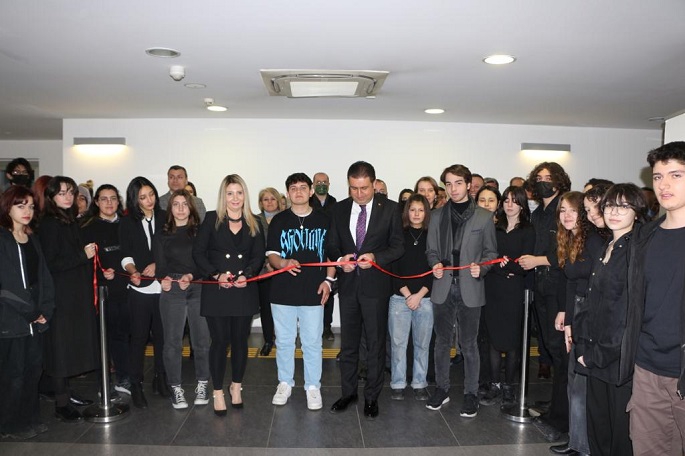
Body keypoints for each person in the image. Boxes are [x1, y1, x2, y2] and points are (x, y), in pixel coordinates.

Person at [619, 142, 685, 455]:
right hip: (646, 367)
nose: (664, 184)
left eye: (676, 175)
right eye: (658, 177)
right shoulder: (645, 236)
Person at [326, 161, 404, 419]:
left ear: (374, 184)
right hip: (349, 287)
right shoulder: (338, 209)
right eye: (353, 188)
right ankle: (348, 393)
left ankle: (372, 396)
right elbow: (331, 245)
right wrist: (341, 261)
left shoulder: (390, 209)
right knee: (348, 345)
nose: (359, 194)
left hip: (376, 288)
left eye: (364, 188)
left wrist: (376, 257)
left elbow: (397, 246)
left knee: (375, 344)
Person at [575, 183, 646, 456]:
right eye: (610, 206)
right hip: (594, 350)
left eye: (623, 207)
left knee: (619, 435)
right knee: (598, 427)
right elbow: (592, 299)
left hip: (615, 357)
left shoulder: (635, 251)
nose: (614, 212)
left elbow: (627, 311)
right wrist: (583, 345)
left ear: (637, 212)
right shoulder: (608, 245)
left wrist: (599, 354)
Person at [425, 164, 497, 417]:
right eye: (448, 184)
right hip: (443, 286)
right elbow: (431, 250)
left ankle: (471, 394)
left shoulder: (484, 217)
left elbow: (490, 253)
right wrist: (435, 263)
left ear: (468, 185)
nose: (453, 189)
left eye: (458, 183)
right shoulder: (436, 216)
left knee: (469, 344)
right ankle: (442, 389)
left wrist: (482, 268)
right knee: (442, 342)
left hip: (470, 287)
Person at [192, 174, 265, 414]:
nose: (235, 198)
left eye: (239, 193)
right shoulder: (211, 219)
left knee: (240, 342)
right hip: (217, 291)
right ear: (224, 196)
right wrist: (216, 275)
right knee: (220, 341)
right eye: (230, 193)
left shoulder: (254, 221)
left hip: (243, 290)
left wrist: (248, 274)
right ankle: (217, 391)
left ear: (245, 195)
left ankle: (236, 386)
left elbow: (258, 255)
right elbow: (198, 253)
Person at [266, 173, 334, 411]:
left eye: (303, 187)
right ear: (287, 193)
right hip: (282, 292)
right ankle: (285, 382)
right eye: (293, 188)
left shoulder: (325, 220)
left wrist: (329, 281)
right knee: (284, 341)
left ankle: (313, 386)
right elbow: (272, 255)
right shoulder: (279, 220)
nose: (298, 192)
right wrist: (283, 263)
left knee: (312, 342)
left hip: (313, 291)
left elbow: (331, 255)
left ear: (311, 191)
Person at [38, 176, 99, 422]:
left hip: (75, 293)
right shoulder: (50, 223)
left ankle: (65, 394)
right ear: (51, 196)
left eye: (71, 192)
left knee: (69, 346)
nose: (68, 197)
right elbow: (51, 262)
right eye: (62, 193)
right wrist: (82, 255)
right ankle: (61, 403)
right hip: (61, 295)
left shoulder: (69, 220)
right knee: (61, 348)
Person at [518, 162, 572, 442]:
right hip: (539, 286)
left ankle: (562, 417)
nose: (543, 182)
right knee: (550, 347)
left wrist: (538, 260)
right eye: (538, 178)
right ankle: (555, 405)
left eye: (548, 178)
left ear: (560, 181)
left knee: (560, 352)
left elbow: (568, 251)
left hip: (557, 288)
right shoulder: (538, 212)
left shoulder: (565, 210)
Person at [549, 191, 604, 456]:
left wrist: (580, 320)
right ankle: (577, 441)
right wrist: (568, 320)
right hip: (578, 311)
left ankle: (584, 446)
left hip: (592, 312)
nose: (567, 215)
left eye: (573, 210)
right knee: (574, 380)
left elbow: (597, 284)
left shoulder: (594, 241)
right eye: (563, 210)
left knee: (581, 382)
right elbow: (571, 282)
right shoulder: (570, 239)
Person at [0, 186, 53, 440]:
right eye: (20, 206)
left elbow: (43, 277)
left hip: (35, 318)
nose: (27, 211)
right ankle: (9, 425)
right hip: (12, 320)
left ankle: (30, 418)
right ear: (7, 207)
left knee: (33, 371)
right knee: (14, 375)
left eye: (31, 206)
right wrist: (31, 312)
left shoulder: (32, 238)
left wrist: (45, 309)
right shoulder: (3, 240)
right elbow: (7, 286)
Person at [153, 189, 210, 409]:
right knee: (172, 342)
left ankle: (203, 383)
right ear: (170, 208)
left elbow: (204, 261)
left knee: (201, 340)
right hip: (173, 289)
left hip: (198, 287)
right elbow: (160, 265)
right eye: (175, 204)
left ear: (191, 207)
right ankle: (175, 387)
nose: (180, 208)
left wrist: (191, 276)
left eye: (184, 204)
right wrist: (163, 279)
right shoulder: (162, 234)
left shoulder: (200, 231)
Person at [481, 186, 534, 407]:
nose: (510, 204)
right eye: (506, 200)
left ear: (522, 204)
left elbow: (526, 264)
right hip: (493, 287)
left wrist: (508, 265)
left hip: (514, 290)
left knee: (512, 341)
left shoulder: (528, 230)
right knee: (493, 339)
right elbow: (486, 258)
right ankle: (494, 384)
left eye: (515, 200)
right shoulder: (494, 227)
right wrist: (503, 267)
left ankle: (509, 386)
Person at [119, 176, 169, 408]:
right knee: (138, 338)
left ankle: (161, 377)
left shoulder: (165, 216)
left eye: (151, 195)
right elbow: (125, 254)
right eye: (143, 197)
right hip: (139, 288)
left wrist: (158, 264)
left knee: (162, 337)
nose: (149, 200)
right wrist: (133, 271)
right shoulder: (127, 222)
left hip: (163, 286)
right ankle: (136, 384)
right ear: (135, 200)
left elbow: (172, 248)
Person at [80, 184, 131, 396]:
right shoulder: (87, 227)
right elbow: (83, 261)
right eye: (104, 199)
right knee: (102, 339)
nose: (109, 203)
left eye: (113, 198)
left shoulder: (128, 224)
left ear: (119, 201)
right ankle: (103, 384)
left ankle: (124, 378)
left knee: (122, 336)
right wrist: (101, 274)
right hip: (101, 292)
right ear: (96, 202)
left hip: (126, 289)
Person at [388, 194, 433, 401]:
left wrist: (420, 295)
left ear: (426, 212)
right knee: (398, 344)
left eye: (421, 210)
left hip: (425, 298)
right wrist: (408, 296)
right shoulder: (399, 236)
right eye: (412, 209)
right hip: (400, 298)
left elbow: (435, 269)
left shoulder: (432, 236)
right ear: (407, 212)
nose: (416, 214)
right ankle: (398, 383)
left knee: (422, 344)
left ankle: (419, 382)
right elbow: (393, 268)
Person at [310, 172, 338, 341]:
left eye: (324, 182)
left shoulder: (335, 204)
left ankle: (327, 326)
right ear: (313, 185)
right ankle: (313, 328)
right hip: (313, 252)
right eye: (318, 182)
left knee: (329, 290)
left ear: (329, 184)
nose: (321, 184)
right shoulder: (308, 202)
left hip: (330, 251)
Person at [256, 187, 281, 355]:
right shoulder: (254, 220)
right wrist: (267, 263)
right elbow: (255, 247)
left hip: (283, 270)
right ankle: (268, 340)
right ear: (261, 203)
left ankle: (283, 339)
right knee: (266, 308)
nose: (270, 202)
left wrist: (278, 263)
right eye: (266, 199)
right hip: (263, 272)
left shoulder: (286, 218)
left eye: (273, 199)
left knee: (283, 308)